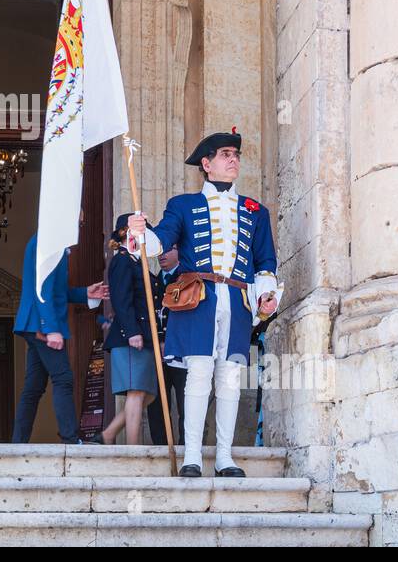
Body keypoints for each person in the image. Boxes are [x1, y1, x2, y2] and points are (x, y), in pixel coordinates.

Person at [128, 129, 281, 478]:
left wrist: (266, 295)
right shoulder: (183, 205)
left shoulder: (256, 210)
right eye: (225, 154)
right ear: (207, 164)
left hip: (238, 298)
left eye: (236, 155)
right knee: (198, 375)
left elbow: (265, 263)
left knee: (229, 378)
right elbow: (160, 243)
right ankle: (192, 456)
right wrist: (139, 232)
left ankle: (225, 457)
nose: (233, 159)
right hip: (198, 298)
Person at [11, 228, 109, 444]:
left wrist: (85, 293)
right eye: (78, 222)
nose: (78, 228)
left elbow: (57, 290)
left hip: (34, 322)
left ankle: (18, 443)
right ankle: (70, 439)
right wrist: (49, 328)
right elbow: (42, 288)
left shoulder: (50, 241)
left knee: (34, 387)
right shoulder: (49, 242)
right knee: (63, 378)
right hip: (40, 323)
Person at [100, 213, 159, 445]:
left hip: (142, 335)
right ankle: (132, 449)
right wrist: (132, 331)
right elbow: (121, 299)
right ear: (127, 232)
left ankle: (108, 434)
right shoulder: (122, 260)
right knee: (135, 393)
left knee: (144, 394)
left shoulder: (137, 262)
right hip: (130, 336)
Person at [147, 247, 189, 446]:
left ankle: (186, 448)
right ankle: (162, 447)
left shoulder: (187, 279)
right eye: (160, 250)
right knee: (155, 404)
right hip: (156, 352)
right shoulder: (151, 281)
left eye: (170, 249)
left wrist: (168, 340)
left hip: (182, 351)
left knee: (185, 402)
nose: (162, 255)